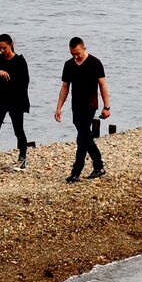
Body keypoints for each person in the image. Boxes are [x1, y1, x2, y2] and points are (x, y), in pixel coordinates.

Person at [55, 37, 111, 183]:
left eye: (78, 53)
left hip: (90, 105)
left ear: (84, 49)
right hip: (76, 106)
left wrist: (107, 107)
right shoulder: (69, 65)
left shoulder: (95, 63)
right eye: (73, 53)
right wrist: (59, 107)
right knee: (85, 136)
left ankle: (76, 172)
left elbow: (103, 85)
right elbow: (65, 87)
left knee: (82, 137)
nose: (75, 56)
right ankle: (99, 166)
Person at [0, 33, 30, 172]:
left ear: (10, 44)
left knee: (18, 130)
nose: (2, 51)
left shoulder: (20, 61)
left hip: (15, 101)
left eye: (4, 47)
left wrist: (17, 95)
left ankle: (22, 159)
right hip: (0, 99)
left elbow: (25, 82)